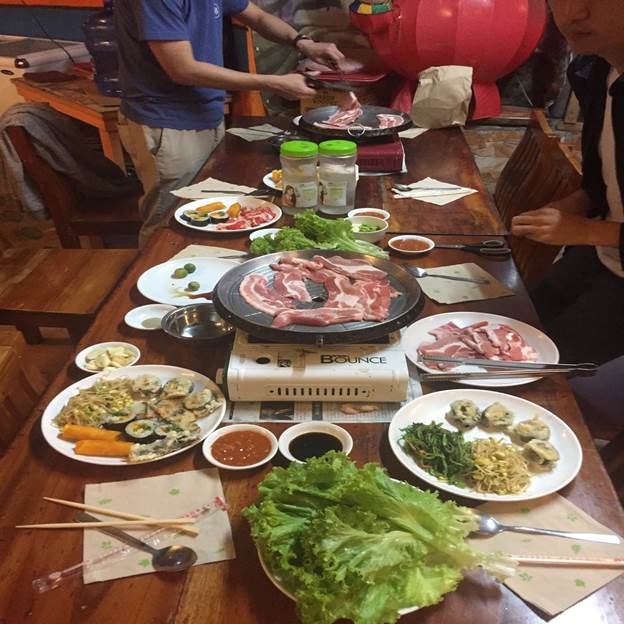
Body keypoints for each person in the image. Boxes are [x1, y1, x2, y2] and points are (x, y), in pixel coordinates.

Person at [114, 0, 344, 246]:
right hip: (167, 121)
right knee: (168, 224)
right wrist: (272, 82)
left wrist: (303, 43)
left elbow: (257, 16)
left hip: (206, 113)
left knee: (206, 213)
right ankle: (152, 269)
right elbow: (182, 69)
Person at [511, 0, 624, 365]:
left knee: (543, 374)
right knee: (508, 329)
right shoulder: (595, 69)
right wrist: (577, 202)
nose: (572, 13)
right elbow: (604, 177)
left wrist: (585, 230)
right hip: (599, 255)